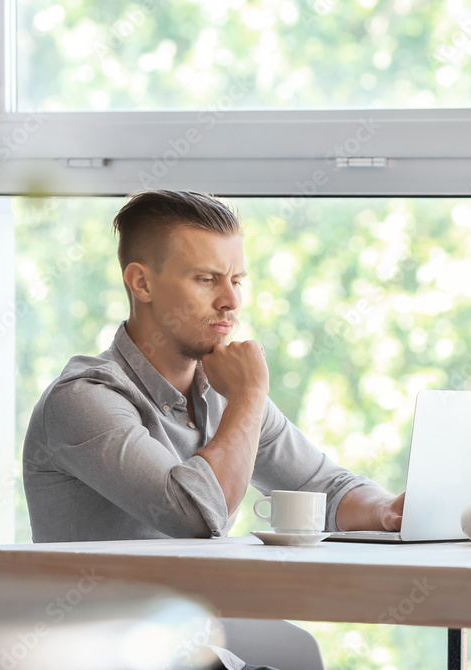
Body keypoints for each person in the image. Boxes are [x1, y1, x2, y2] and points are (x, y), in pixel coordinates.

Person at [22, 190, 404, 544]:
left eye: (237, 280)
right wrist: (250, 395)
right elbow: (194, 516)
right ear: (141, 283)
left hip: (203, 614)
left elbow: (325, 486)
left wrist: (390, 511)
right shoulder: (81, 399)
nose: (231, 301)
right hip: (102, 619)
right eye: (207, 280)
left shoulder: (223, 393)